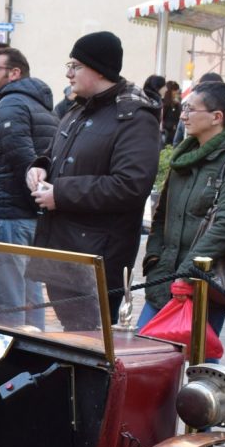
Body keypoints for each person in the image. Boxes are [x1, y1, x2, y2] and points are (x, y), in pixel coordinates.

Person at [26, 30, 160, 328]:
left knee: (90, 341)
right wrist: (40, 168)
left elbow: (131, 185)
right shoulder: (78, 110)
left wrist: (59, 192)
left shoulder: (135, 117)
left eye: (75, 66)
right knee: (72, 336)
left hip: (96, 255)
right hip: (64, 250)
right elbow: (54, 155)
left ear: (98, 69)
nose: (68, 73)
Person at [140, 81, 225, 336]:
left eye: (191, 110)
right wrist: (154, 259)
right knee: (146, 353)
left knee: (199, 361)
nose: (183, 116)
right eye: (183, 108)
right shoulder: (183, 156)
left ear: (217, 117)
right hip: (163, 277)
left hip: (204, 282)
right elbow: (161, 215)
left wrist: (188, 271)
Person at [0, 47, 58, 328]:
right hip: (28, 214)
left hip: (8, 214)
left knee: (6, 300)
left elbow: (24, 158)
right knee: (29, 295)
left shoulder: (11, 103)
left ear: (14, 73)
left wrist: (32, 187)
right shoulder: (38, 103)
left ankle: (11, 361)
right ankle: (33, 353)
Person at [161, 81, 182, 145]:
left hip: (175, 134)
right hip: (166, 134)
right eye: (174, 90)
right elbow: (161, 120)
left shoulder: (177, 104)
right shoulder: (164, 104)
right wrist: (170, 126)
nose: (176, 92)